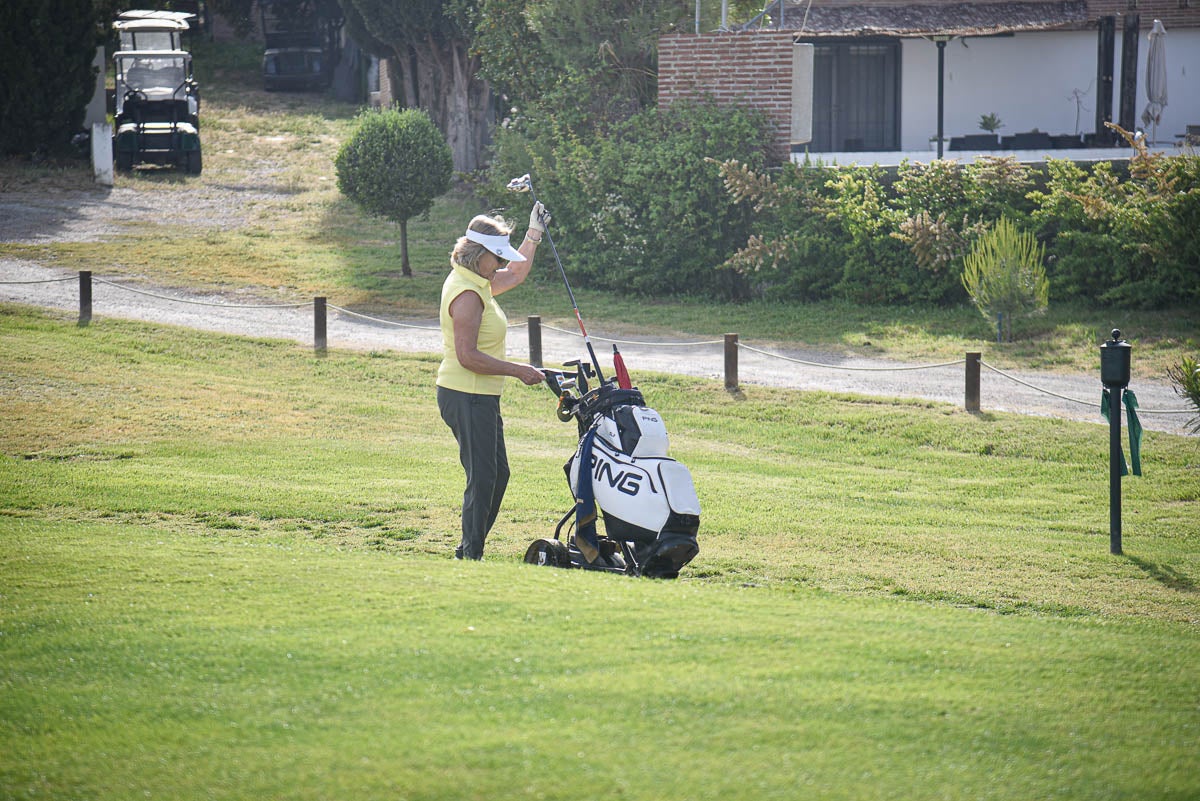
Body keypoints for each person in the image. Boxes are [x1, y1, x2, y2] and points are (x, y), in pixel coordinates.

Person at [437, 203, 550, 560]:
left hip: (480, 396)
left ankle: (469, 549)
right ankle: (470, 554)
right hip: (465, 394)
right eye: (497, 258)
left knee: (497, 475)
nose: (501, 264)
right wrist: (518, 370)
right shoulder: (468, 294)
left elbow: (516, 275)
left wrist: (534, 235)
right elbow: (467, 356)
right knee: (483, 477)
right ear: (477, 254)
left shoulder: (479, 282)